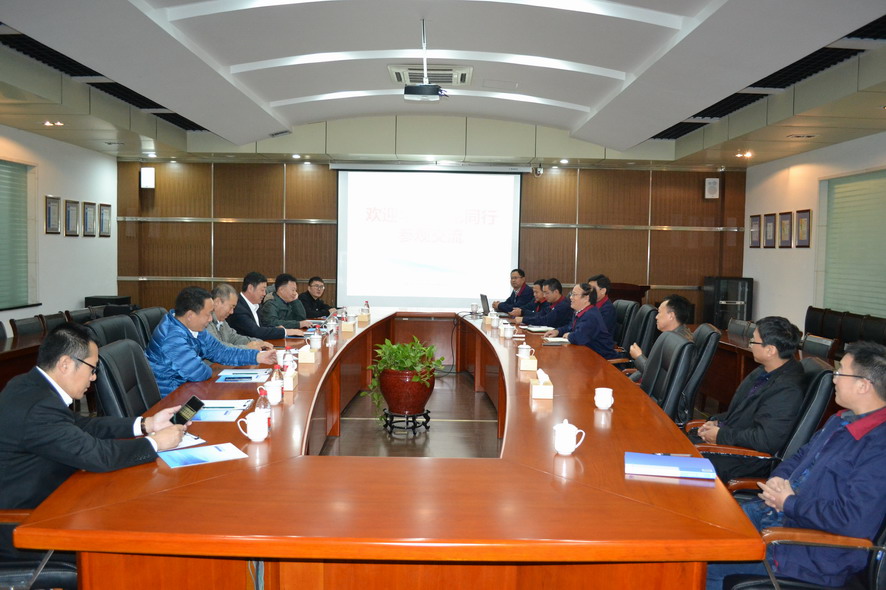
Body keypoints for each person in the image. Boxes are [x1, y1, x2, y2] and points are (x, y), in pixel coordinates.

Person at [706, 341, 886, 590]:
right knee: (703, 529)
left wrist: (789, 502)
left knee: (700, 562)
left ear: (863, 385)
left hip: (805, 550)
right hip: (775, 515)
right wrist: (777, 480)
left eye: (840, 372)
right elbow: (801, 456)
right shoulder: (842, 419)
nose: (834, 379)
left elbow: (853, 520)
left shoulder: (879, 447)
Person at [0, 323, 185, 559]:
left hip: (54, 500)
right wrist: (155, 443)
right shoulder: (39, 407)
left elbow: (83, 425)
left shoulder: (29, 385)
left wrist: (146, 424)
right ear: (65, 364)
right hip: (26, 525)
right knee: (136, 533)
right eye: (92, 368)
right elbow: (98, 456)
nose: (94, 376)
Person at [690, 316, 804, 481]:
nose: (750, 345)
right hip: (734, 442)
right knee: (673, 443)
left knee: (679, 459)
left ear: (770, 350)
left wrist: (721, 435)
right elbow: (741, 411)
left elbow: (765, 440)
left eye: (754, 341)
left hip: (748, 459)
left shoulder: (787, 389)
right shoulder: (765, 370)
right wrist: (716, 422)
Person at [147, 286, 277, 396]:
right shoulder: (172, 339)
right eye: (208, 314)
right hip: (171, 399)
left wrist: (258, 356)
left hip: (189, 389)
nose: (210, 319)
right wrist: (211, 367)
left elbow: (221, 351)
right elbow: (198, 373)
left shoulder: (195, 328)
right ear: (190, 315)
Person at [628, 294, 693, 382]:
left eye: (659, 312)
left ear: (671, 316)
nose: (656, 317)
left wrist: (638, 357)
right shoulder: (673, 335)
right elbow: (651, 368)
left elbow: (656, 375)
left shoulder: (679, 343)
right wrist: (627, 380)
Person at [544, 283, 617, 359]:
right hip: (588, 356)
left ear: (586, 298)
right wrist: (558, 331)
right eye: (571, 294)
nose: (571, 297)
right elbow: (570, 327)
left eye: (574, 295)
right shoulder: (580, 312)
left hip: (602, 359)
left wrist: (569, 335)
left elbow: (579, 337)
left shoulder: (591, 315)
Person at [227, 271, 304, 340]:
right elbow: (256, 332)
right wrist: (285, 331)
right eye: (262, 290)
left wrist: (275, 328)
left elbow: (262, 326)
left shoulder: (256, 305)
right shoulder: (238, 307)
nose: (264, 294)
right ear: (250, 288)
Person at [206, 283, 273, 351]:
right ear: (217, 302)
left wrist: (258, 342)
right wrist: (247, 348)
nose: (232, 312)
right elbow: (218, 348)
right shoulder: (206, 322)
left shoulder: (222, 321)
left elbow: (234, 338)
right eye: (231, 307)